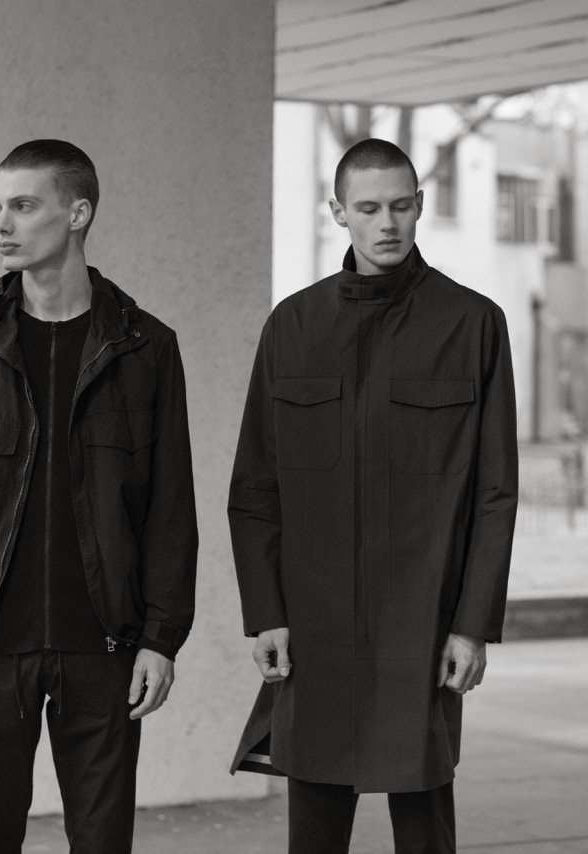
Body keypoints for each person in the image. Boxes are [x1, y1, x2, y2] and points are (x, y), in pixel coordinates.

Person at [0, 139, 198, 853]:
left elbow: (170, 509)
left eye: (24, 206)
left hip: (103, 647)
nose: (2, 224)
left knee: (102, 844)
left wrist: (161, 639)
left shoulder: (146, 347)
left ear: (77, 213)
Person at [227, 138, 518, 853]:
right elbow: (255, 488)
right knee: (314, 825)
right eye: (367, 208)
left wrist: (471, 625)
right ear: (338, 212)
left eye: (400, 206)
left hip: (423, 620)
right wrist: (266, 615)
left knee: (423, 819)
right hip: (315, 621)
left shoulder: (472, 323)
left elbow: (495, 493)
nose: (387, 223)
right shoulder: (292, 326)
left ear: (419, 206)